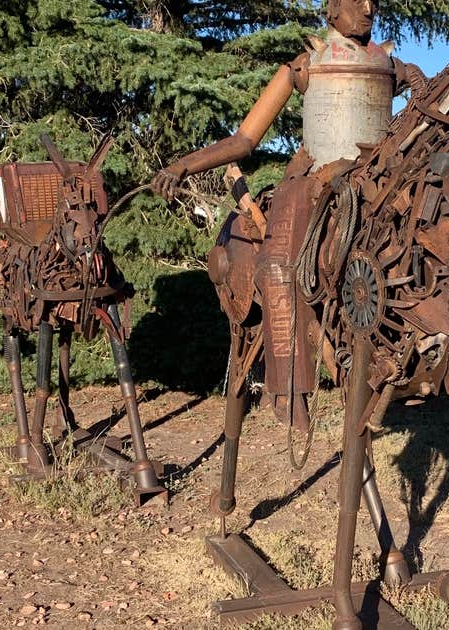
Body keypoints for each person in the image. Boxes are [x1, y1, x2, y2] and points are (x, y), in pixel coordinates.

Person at [150, 0, 422, 432]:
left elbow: (428, 113)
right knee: (278, 264)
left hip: (376, 180)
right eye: (356, 2)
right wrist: (182, 165)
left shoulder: (391, 64)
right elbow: (244, 139)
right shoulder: (305, 65)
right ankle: (288, 388)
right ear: (332, 12)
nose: (367, 9)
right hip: (314, 179)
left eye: (372, 2)